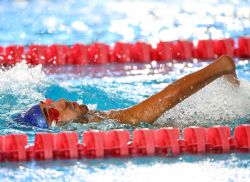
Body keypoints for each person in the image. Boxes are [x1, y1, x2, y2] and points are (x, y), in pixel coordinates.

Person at [15, 55, 239, 128]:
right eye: (52, 113)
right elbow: (154, 106)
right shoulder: (93, 132)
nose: (61, 101)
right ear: (56, 129)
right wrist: (219, 68)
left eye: (50, 102)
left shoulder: (94, 121)